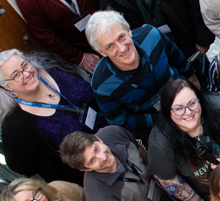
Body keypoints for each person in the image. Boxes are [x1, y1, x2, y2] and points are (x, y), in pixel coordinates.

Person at [0, 49, 104, 184]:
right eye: (16, 75)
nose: (26, 74)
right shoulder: (17, 126)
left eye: (25, 65)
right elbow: (21, 166)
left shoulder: (54, 69)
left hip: (113, 131)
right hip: (93, 171)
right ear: (7, 87)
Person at [86, 10, 200, 143]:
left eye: (121, 37)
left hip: (187, 100)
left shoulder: (151, 35)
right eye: (110, 46)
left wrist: (192, 78)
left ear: (129, 31)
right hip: (158, 127)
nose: (122, 48)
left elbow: (175, 55)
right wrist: (160, 118)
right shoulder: (102, 86)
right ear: (102, 52)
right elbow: (121, 121)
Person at [59, 126, 177, 201]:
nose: (103, 157)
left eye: (96, 149)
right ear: (85, 169)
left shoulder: (113, 133)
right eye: (92, 160)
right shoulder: (100, 200)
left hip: (160, 187)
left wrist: (157, 172)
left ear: (98, 139)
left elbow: (139, 149)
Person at [146, 79, 220, 201]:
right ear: (167, 112)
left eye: (192, 103)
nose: (188, 112)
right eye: (178, 108)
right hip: (209, 195)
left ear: (200, 100)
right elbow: (166, 178)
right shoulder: (160, 142)